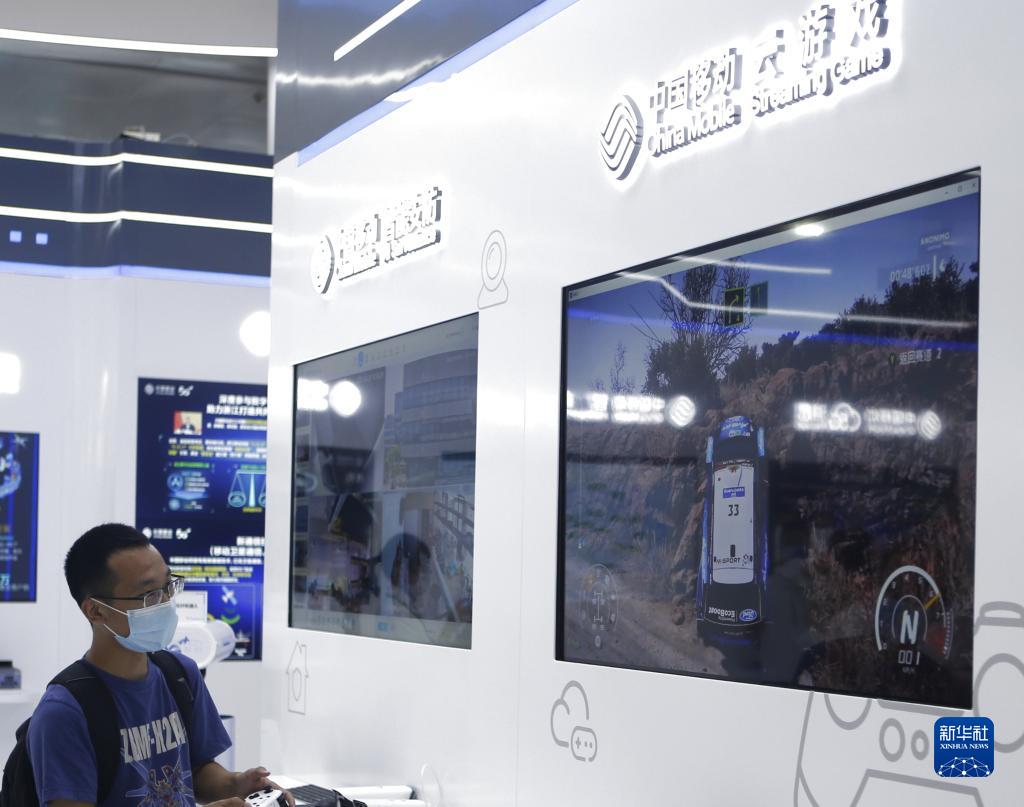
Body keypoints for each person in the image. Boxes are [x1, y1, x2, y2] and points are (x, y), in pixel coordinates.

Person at [27, 523, 295, 807]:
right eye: (149, 594)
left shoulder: (179, 674)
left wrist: (237, 784)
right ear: (96, 611)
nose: (166, 602)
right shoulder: (65, 712)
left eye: (168, 586)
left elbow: (197, 771)